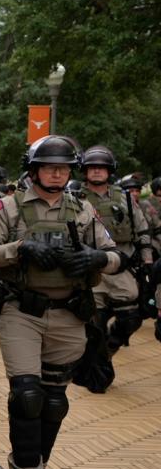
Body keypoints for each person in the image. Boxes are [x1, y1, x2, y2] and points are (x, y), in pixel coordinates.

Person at [0, 135, 121, 469]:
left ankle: (39, 463)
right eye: (49, 167)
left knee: (54, 399)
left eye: (63, 168)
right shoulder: (9, 208)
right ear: (34, 170)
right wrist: (19, 249)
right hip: (21, 311)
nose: (56, 173)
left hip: (70, 313)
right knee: (26, 394)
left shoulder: (82, 210)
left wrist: (95, 259)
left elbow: (116, 255)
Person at [80, 148, 153, 368]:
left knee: (132, 317)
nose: (96, 172)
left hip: (123, 265)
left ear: (110, 170)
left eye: (101, 168)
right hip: (90, 267)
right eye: (92, 167)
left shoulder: (125, 199)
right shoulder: (74, 197)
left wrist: (147, 262)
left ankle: (112, 345)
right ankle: (97, 369)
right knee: (95, 324)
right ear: (84, 170)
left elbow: (141, 230)